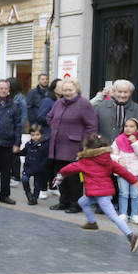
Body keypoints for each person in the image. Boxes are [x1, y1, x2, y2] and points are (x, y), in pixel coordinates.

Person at [54, 133, 138, 253]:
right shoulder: (108, 160)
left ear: (87, 148)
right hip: (101, 193)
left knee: (113, 217)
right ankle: (92, 223)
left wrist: (60, 175)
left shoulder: (84, 161)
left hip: (101, 196)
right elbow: (122, 171)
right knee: (82, 201)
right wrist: (134, 180)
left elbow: (69, 168)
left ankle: (131, 236)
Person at [47, 79, 98, 213]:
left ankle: (76, 203)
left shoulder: (84, 104)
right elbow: (49, 117)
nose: (67, 93)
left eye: (70, 90)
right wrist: (55, 128)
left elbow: (92, 125)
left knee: (74, 178)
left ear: (77, 90)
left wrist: (85, 143)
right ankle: (63, 201)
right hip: (57, 146)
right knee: (60, 176)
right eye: (65, 90)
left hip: (75, 147)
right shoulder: (58, 103)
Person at [111, 117, 138, 224]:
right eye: (126, 126)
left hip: (137, 172)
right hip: (123, 172)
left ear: (137, 129)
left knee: (135, 193)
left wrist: (135, 142)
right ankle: (123, 213)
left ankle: (135, 214)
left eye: (131, 126)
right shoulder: (118, 139)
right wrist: (118, 159)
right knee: (123, 193)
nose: (127, 128)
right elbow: (111, 153)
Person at [20, 124, 50, 206]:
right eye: (32, 135)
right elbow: (24, 152)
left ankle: (34, 198)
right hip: (28, 167)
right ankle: (28, 194)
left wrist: (42, 166)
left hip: (39, 168)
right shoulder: (28, 144)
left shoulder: (45, 145)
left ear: (41, 134)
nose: (35, 137)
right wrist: (16, 152)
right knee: (25, 179)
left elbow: (46, 158)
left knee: (37, 184)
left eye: (37, 135)